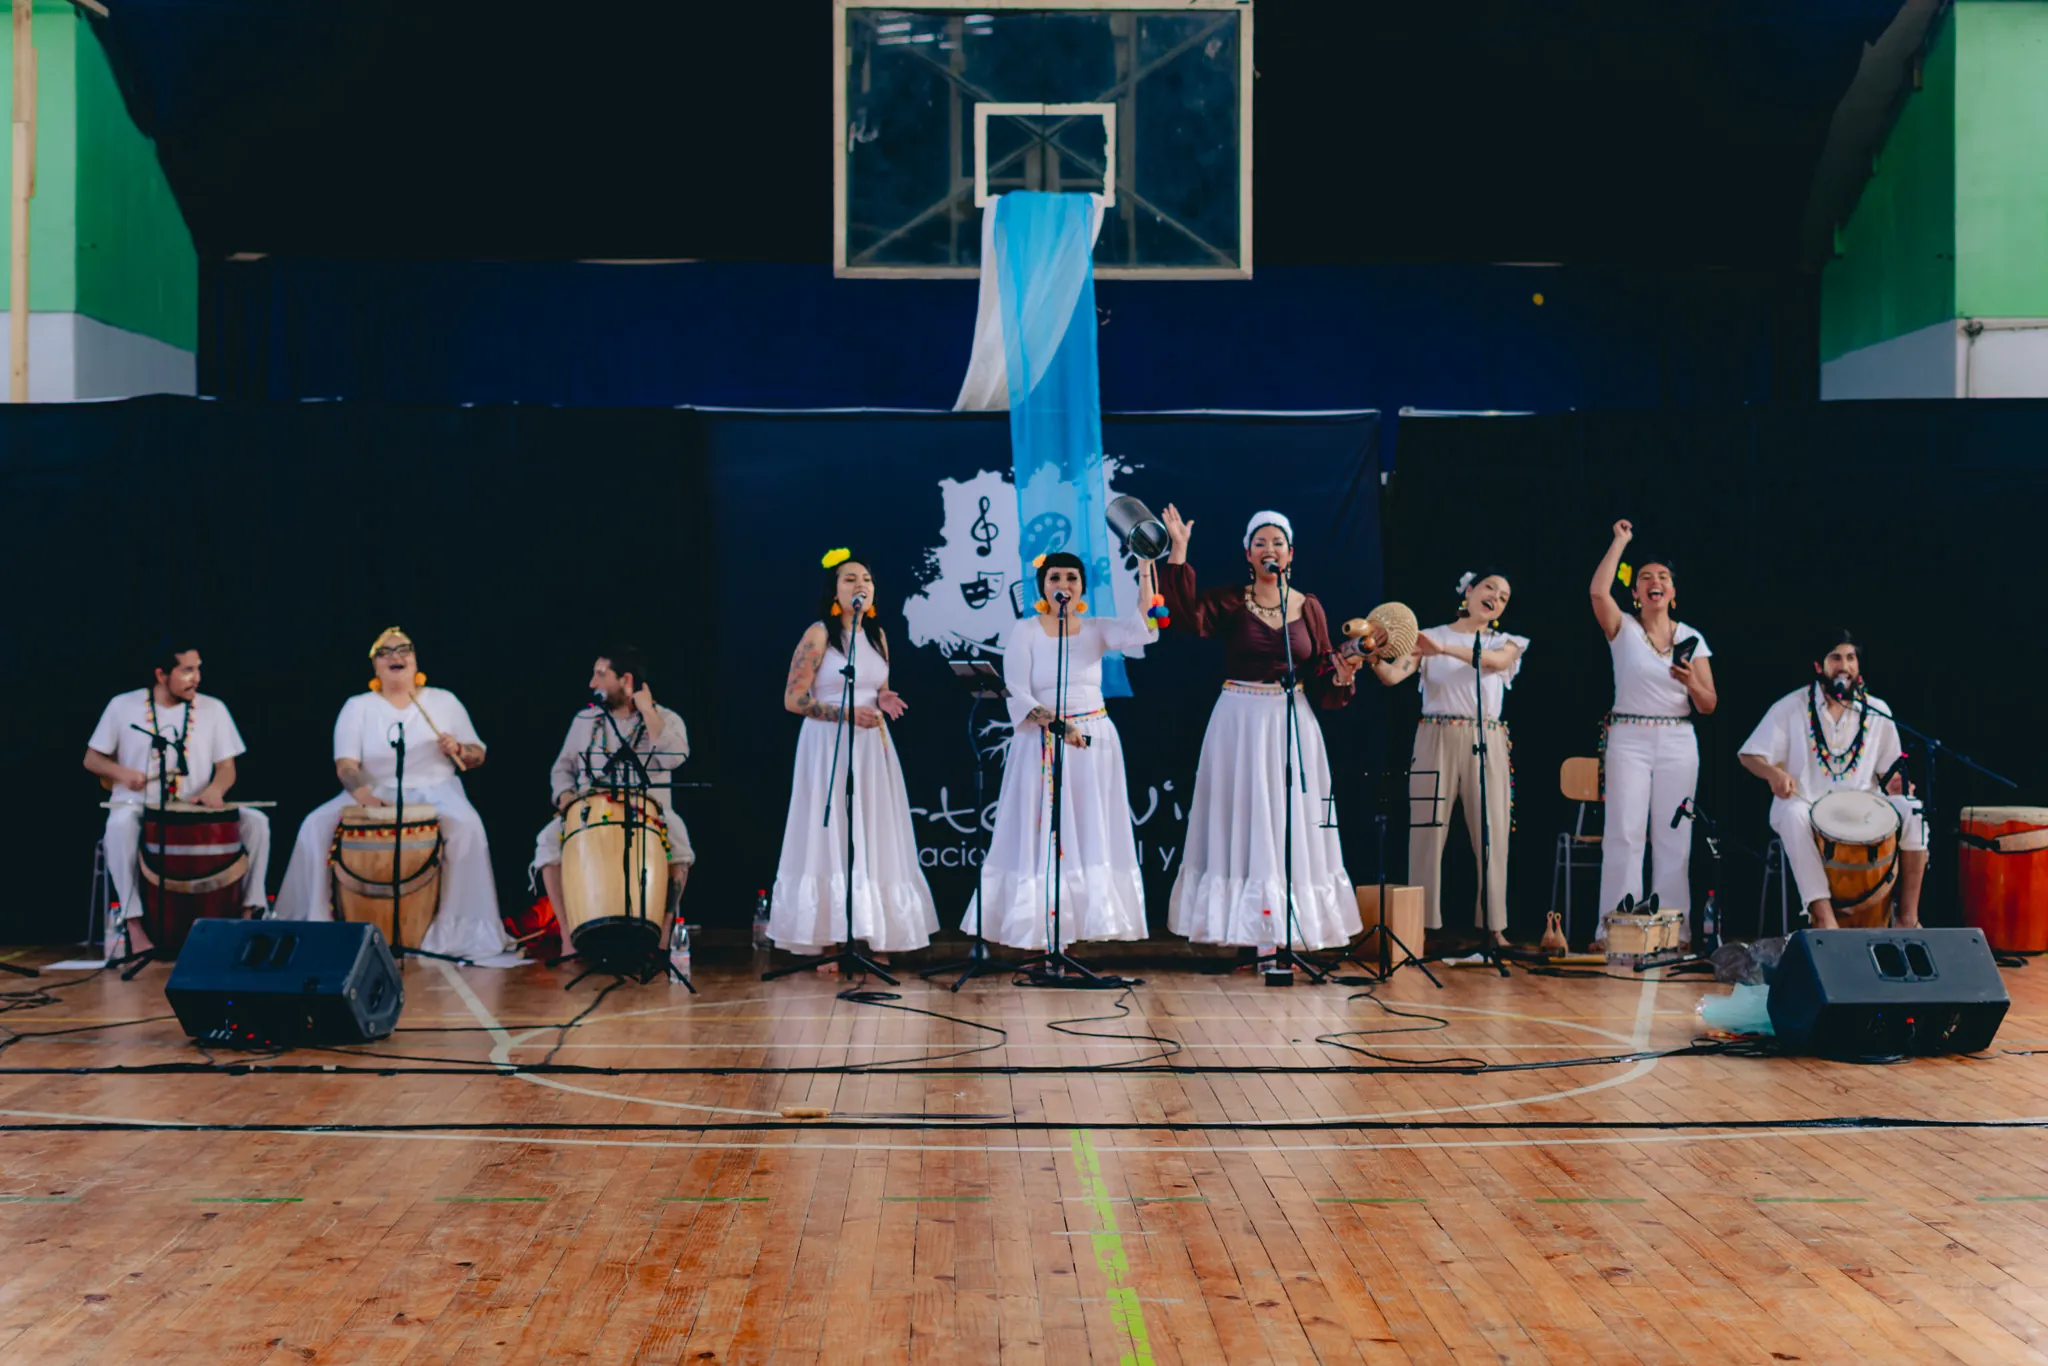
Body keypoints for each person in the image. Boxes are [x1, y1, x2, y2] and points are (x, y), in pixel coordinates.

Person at [1156, 506, 1368, 951]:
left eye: (1277, 543)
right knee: (1245, 817)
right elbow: (1182, 617)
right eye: (1260, 543)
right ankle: (1248, 933)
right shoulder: (1230, 601)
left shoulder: (1308, 606)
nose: (1269, 550)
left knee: (1291, 818)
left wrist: (1344, 672)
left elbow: (1324, 664)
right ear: (1248, 555)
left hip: (1292, 718)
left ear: (1290, 554)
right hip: (1240, 720)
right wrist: (1179, 550)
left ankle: (1289, 931)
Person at [274, 627, 520, 964]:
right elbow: (346, 764)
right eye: (386, 652)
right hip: (373, 788)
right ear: (375, 666)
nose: (396, 656)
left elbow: (478, 754)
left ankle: (458, 928)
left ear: (416, 659)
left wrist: (459, 748)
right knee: (314, 825)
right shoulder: (358, 706)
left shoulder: (442, 700)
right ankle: (315, 924)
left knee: (467, 826)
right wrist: (365, 798)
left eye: (404, 650)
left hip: (437, 787)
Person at [976, 552, 1160, 949]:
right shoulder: (1025, 630)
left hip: (1091, 741)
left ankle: (1073, 935)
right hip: (1042, 741)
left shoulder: (1096, 628)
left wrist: (1146, 570)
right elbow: (1018, 694)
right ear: (1043, 585)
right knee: (1043, 834)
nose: (1064, 584)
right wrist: (1059, 725)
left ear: (1082, 587)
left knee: (1088, 831)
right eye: (1055, 577)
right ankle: (1040, 940)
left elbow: (1144, 628)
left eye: (1072, 578)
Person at [766, 550, 938, 962]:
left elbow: (877, 684)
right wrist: (844, 712)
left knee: (873, 831)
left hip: (871, 744)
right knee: (831, 833)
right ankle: (828, 938)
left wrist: (883, 696)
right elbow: (793, 699)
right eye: (849, 579)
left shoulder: (877, 636)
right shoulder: (819, 635)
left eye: (866, 578)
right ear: (834, 591)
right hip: (827, 743)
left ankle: (874, 934)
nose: (860, 584)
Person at [1372, 568, 1528, 948]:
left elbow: (1492, 663)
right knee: (1426, 830)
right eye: (1490, 587)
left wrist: (1443, 650)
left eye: (1504, 596)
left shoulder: (1506, 642)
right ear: (1470, 590)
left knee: (1491, 832)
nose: (1496, 597)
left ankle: (1494, 925)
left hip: (1486, 736)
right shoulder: (1429, 636)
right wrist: (1371, 655)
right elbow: (1393, 677)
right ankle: (1420, 925)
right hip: (1435, 734)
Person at [83, 641, 271, 948]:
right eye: (187, 670)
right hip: (138, 805)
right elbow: (92, 759)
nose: (196, 677)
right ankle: (134, 926)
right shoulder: (122, 706)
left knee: (257, 823)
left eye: (198, 669)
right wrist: (123, 774)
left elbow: (227, 767)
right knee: (118, 827)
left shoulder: (214, 708)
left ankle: (249, 914)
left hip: (195, 808)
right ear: (161, 674)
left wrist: (215, 789)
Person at [1738, 630, 1925, 929]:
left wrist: (1898, 786)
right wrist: (1774, 773)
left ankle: (1907, 919)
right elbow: (1748, 754)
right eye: (1835, 657)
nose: (1844, 665)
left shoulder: (1878, 711)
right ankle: (1824, 920)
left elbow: (1890, 774)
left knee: (1914, 810)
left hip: (1866, 810)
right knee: (1792, 815)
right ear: (1818, 666)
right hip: (1807, 804)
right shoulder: (1791, 707)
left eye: (1850, 658)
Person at [1589, 520, 1717, 942]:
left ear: (1673, 593)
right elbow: (1597, 592)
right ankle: (1616, 928)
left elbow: (1709, 703)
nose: (1654, 582)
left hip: (1678, 739)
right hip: (1628, 737)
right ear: (1636, 593)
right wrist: (1620, 542)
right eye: (1646, 578)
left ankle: (1673, 930)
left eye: (1662, 577)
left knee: (1674, 836)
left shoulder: (1692, 637)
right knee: (1624, 832)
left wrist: (1690, 683)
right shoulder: (1622, 628)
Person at [533, 647, 695, 941]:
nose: (592, 684)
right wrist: (565, 796)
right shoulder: (585, 720)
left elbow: (674, 758)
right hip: (589, 811)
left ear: (626, 680)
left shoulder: (666, 719)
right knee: (546, 841)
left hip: (649, 811)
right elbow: (562, 769)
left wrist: (647, 710)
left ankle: (662, 936)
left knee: (679, 839)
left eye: (600, 675)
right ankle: (570, 940)